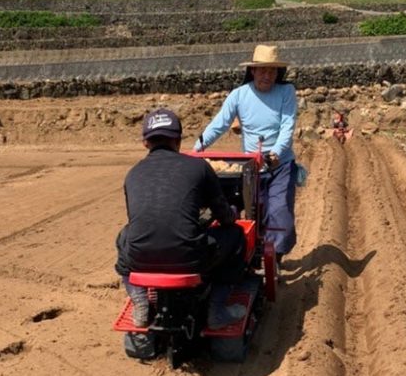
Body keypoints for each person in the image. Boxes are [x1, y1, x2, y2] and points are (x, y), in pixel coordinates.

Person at [116, 107, 247, 330]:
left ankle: (140, 303)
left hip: (140, 258)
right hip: (191, 258)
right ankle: (216, 310)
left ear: (145, 143)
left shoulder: (133, 173)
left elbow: (139, 218)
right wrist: (232, 213)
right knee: (236, 236)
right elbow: (224, 218)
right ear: (178, 140)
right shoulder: (199, 167)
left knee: (124, 237)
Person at [195, 44, 298, 265]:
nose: (267, 75)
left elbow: (288, 125)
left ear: (278, 73)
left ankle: (275, 258)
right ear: (252, 71)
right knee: (255, 212)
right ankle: (253, 252)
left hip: (280, 164)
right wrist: (197, 149)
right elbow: (219, 124)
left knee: (279, 211)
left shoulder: (286, 92)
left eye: (272, 71)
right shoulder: (239, 95)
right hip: (250, 167)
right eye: (262, 70)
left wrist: (276, 152)